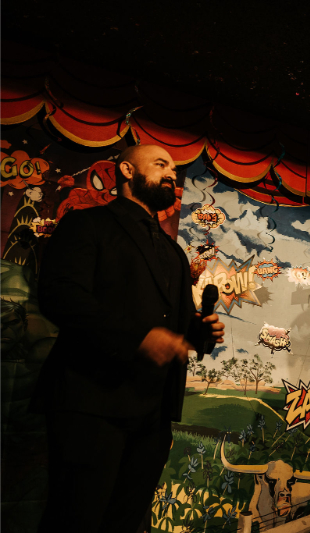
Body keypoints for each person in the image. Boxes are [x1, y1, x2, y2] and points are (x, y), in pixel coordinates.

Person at [30, 144, 225, 533]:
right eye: (160, 164)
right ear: (126, 171)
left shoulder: (173, 254)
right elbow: (59, 295)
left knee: (123, 523)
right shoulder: (87, 224)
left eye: (174, 167)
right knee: (75, 521)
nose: (171, 172)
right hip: (90, 403)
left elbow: (175, 327)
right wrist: (139, 338)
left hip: (152, 417)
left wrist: (201, 333)